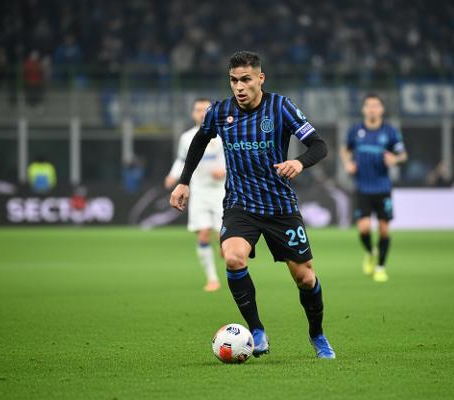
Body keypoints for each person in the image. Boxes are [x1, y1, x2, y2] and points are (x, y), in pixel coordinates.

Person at [170, 51, 334, 359]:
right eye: (233, 80)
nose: (239, 87)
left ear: (260, 78)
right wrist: (184, 181)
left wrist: (299, 163)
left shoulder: (280, 107)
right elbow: (199, 140)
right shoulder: (219, 111)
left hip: (280, 206)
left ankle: (317, 334)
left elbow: (319, 145)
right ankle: (257, 331)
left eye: (246, 79)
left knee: (305, 278)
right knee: (233, 258)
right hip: (240, 204)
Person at [340, 94, 407, 282]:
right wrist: (347, 164)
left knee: (384, 230)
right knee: (363, 228)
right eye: (368, 106)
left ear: (382, 109)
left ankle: (380, 267)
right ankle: (371, 252)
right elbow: (345, 150)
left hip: (383, 187)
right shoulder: (355, 131)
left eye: (376, 106)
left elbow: (402, 155)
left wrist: (395, 159)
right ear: (363, 109)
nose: (372, 109)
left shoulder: (390, 132)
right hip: (362, 187)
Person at [165, 98, 226, 292]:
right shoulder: (187, 138)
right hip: (199, 191)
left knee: (225, 239)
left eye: (205, 110)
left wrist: (224, 171)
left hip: (222, 191)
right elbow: (182, 160)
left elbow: (233, 158)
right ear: (193, 114)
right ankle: (212, 278)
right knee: (203, 233)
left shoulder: (223, 134)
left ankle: (225, 248)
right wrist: (173, 175)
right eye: (198, 110)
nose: (201, 113)